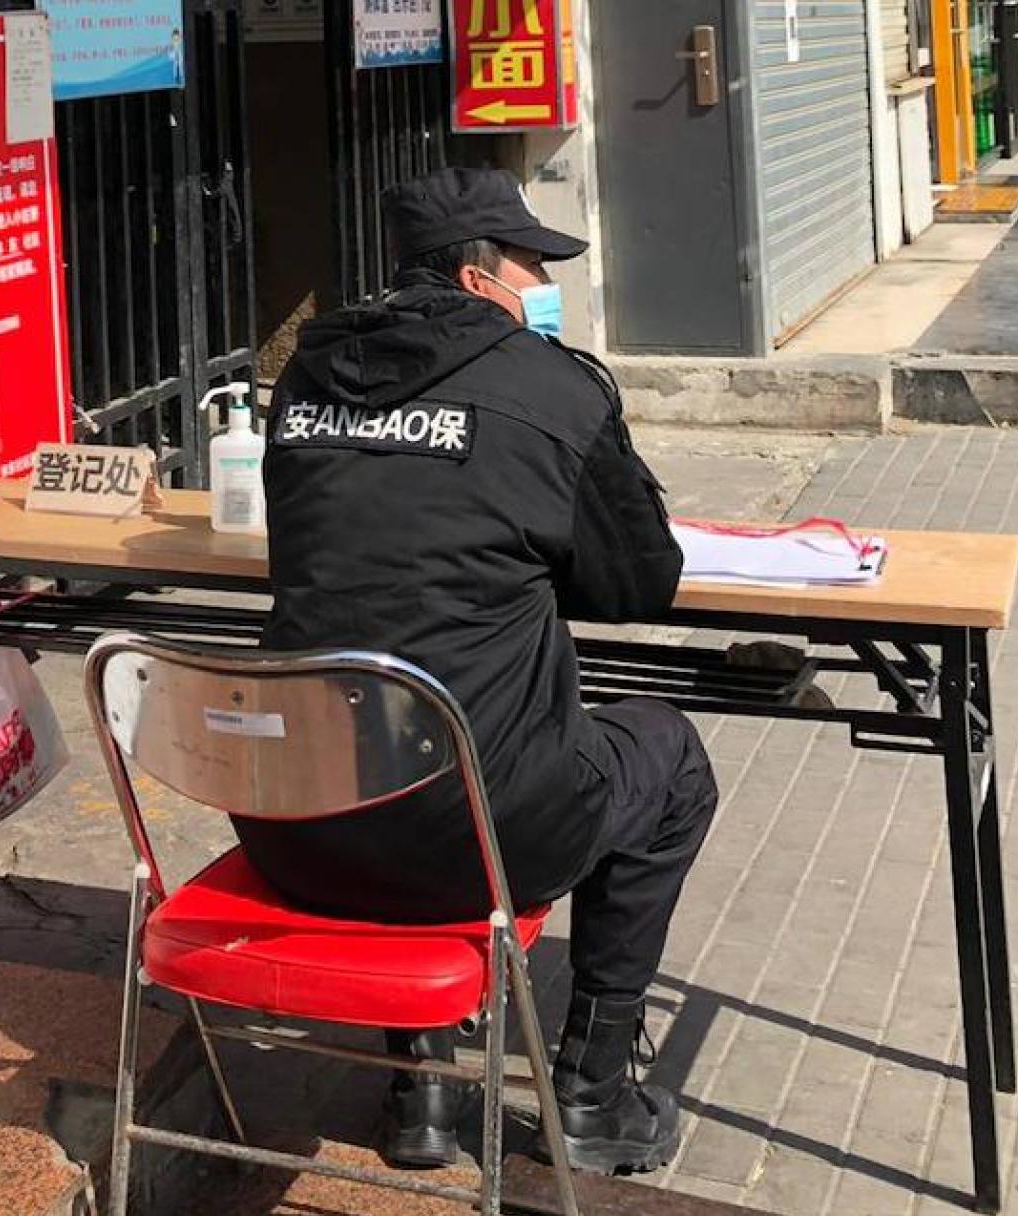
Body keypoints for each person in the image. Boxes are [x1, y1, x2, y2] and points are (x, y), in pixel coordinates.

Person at [239, 167, 720, 1176]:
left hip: (296, 824)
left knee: (394, 709)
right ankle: (590, 1090)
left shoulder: (302, 383)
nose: (546, 282)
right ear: (476, 273)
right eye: (533, 263)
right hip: (480, 835)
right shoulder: (551, 390)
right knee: (669, 758)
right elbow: (640, 583)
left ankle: (422, 1087)